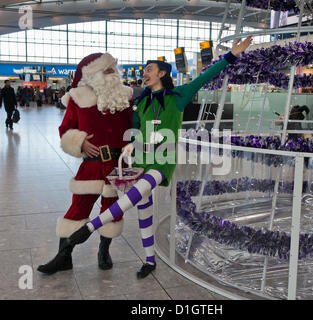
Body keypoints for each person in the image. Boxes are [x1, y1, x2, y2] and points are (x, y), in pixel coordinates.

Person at [62, 36, 253, 279]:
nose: (145, 73)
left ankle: (89, 229)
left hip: (162, 162)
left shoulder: (179, 96)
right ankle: (150, 260)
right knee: (144, 210)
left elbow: (206, 77)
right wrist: (131, 145)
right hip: (142, 160)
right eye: (144, 70)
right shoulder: (141, 103)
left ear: (162, 73)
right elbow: (135, 131)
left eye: (149, 69)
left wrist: (231, 56)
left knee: (133, 195)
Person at [37, 52, 134, 275]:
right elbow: (65, 129)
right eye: (106, 68)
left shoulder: (126, 96)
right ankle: (64, 256)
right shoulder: (78, 97)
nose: (112, 71)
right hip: (91, 164)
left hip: (119, 164)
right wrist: (79, 143)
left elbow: (135, 126)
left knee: (112, 209)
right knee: (78, 207)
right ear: (93, 74)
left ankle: (103, 251)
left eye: (113, 67)